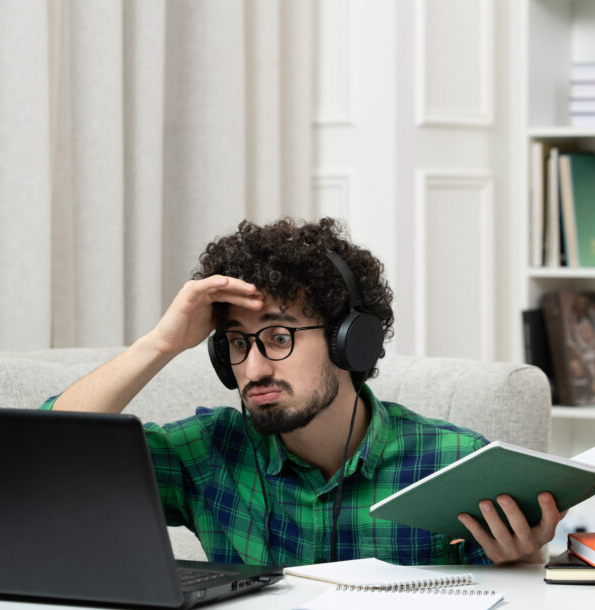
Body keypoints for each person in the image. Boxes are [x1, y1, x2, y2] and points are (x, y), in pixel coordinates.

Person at [40, 217, 564, 567]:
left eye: (279, 336)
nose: (255, 366)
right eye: (237, 343)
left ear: (350, 342)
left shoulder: (455, 465)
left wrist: (521, 565)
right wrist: (159, 344)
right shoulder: (207, 454)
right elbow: (51, 451)